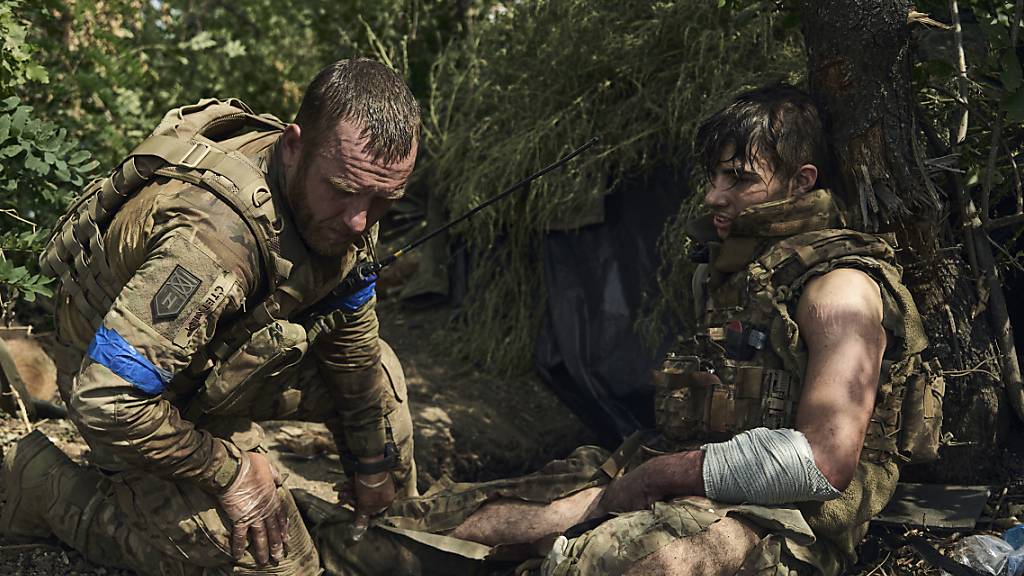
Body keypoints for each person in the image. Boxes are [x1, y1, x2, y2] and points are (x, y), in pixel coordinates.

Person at [303, 84, 939, 576]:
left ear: (801, 183)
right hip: (677, 469)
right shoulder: (735, 272)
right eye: (713, 177)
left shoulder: (840, 290)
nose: (715, 197)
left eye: (739, 179)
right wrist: (632, 482)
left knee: (601, 562)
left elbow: (822, 464)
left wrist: (659, 480)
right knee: (462, 523)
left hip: (784, 520)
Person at [1, 58, 421, 575]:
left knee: (382, 372)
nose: (360, 221)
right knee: (270, 565)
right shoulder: (212, 242)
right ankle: (46, 488)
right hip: (119, 378)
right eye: (341, 190)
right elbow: (107, 399)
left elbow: (352, 346)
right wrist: (229, 472)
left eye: (384, 200)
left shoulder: (351, 198)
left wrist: (371, 467)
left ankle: (383, 531)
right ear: (294, 146)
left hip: (205, 360)